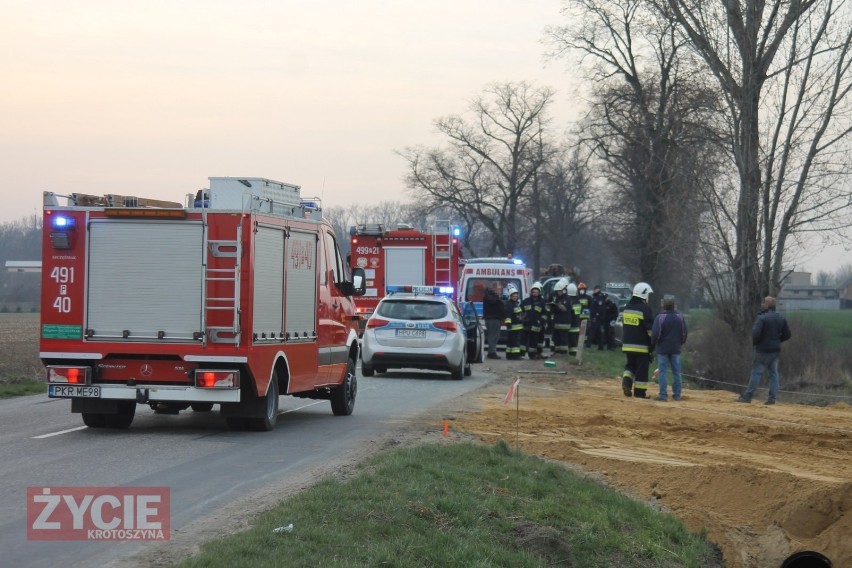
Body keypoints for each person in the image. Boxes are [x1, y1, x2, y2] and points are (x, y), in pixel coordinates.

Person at [737, 296, 792, 405]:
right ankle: (772, 398)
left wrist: (756, 343)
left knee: (756, 373)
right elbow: (787, 335)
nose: (762, 304)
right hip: (775, 350)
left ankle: (747, 397)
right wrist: (777, 341)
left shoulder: (761, 318)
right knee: (774, 374)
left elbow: (756, 333)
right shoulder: (781, 318)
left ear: (766, 305)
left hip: (762, 350)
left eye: (764, 303)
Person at [621, 282, 654, 398]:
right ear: (644, 294)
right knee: (641, 370)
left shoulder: (627, 308)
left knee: (630, 366)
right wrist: (652, 346)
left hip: (627, 345)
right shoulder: (645, 309)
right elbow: (650, 330)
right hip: (641, 346)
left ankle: (626, 383)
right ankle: (640, 394)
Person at [651, 296, 688, 401]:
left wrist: (654, 344)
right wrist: (680, 343)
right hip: (676, 348)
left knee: (662, 371)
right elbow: (684, 333)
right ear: (674, 305)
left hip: (662, 349)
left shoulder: (660, 317)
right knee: (677, 372)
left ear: (664, 305)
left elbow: (655, 334)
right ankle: (677, 395)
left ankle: (663, 395)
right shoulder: (680, 317)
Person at [521, 281, 547, 359]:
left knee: (534, 341)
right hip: (526, 325)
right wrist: (523, 319)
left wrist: (541, 322)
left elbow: (545, 314)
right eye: (534, 291)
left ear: (539, 292)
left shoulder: (542, 302)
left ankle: (532, 355)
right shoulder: (526, 301)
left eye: (536, 292)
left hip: (536, 325)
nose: (535, 293)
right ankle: (520, 354)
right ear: (531, 292)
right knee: (523, 341)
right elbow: (520, 310)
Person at [549, 278, 571, 356]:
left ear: (563, 290)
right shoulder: (557, 298)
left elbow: (564, 308)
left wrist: (556, 305)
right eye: (557, 291)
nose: (558, 292)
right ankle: (557, 351)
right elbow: (553, 308)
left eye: (559, 291)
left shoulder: (567, 298)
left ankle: (563, 352)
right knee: (556, 338)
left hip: (564, 323)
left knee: (563, 338)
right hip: (557, 322)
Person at [482, 281, 505, 359]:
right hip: (492, 318)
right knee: (493, 336)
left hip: (495, 318)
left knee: (495, 336)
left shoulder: (491, 296)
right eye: (498, 287)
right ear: (494, 288)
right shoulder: (490, 296)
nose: (500, 289)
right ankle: (492, 352)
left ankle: (492, 351)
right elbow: (494, 302)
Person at [503, 285, 524, 360]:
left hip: (517, 326)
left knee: (511, 342)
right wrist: (508, 324)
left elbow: (518, 314)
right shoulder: (509, 305)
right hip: (513, 327)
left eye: (516, 296)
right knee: (515, 342)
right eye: (513, 296)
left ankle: (509, 355)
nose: (515, 297)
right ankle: (515, 356)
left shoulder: (516, 304)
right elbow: (508, 315)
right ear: (510, 296)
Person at [589, 284, 607, 350]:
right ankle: (600, 346)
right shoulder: (595, 297)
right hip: (596, 318)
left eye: (595, 289)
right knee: (598, 332)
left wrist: (596, 316)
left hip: (598, 318)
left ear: (598, 289)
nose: (594, 291)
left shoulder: (599, 297)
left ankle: (590, 345)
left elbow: (600, 308)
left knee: (594, 332)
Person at [566, 283, 582, 357]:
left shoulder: (569, 300)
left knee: (569, 339)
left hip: (570, 323)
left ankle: (570, 353)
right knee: (575, 340)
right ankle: (574, 353)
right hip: (576, 323)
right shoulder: (578, 301)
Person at [577, 282, 592, 347]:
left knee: (586, 331)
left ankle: (585, 342)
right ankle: (578, 341)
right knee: (578, 330)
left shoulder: (588, 298)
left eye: (583, 289)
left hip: (586, 318)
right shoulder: (577, 298)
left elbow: (591, 307)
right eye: (581, 289)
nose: (582, 291)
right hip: (578, 317)